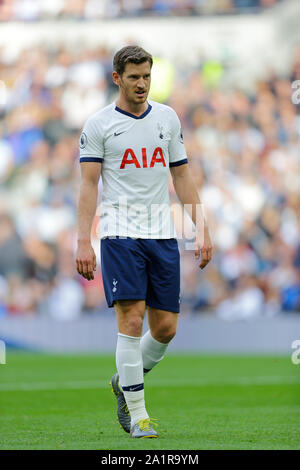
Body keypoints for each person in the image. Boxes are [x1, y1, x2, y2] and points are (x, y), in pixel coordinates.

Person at [76, 45, 213, 439]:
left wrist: (200, 227)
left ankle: (124, 381)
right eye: (134, 77)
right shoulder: (99, 125)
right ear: (117, 78)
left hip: (161, 233)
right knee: (131, 319)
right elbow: (88, 187)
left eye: (147, 76)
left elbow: (182, 177)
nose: (142, 84)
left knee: (166, 328)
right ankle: (138, 415)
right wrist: (83, 241)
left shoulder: (167, 119)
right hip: (119, 232)